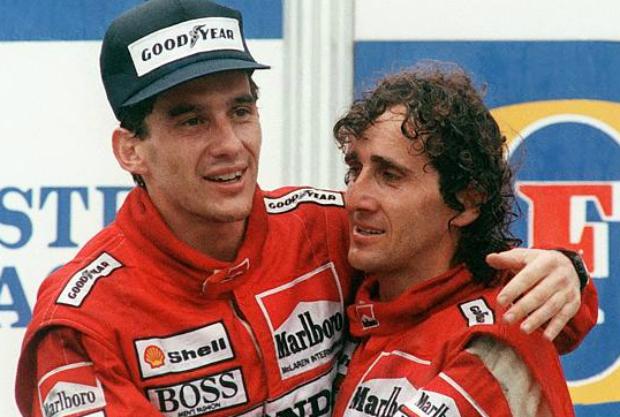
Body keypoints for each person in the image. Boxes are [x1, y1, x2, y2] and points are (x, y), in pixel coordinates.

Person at [14, 1, 594, 417]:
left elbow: (457, 274)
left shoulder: (325, 228)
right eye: (191, 120)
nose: (230, 145)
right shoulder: (81, 323)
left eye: (241, 111)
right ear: (131, 149)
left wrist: (567, 272)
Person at [331, 64, 598, 417]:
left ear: (467, 201)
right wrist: (570, 268)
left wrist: (571, 270)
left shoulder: (495, 340)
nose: (354, 198)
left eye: (390, 176)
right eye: (355, 170)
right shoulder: (350, 294)